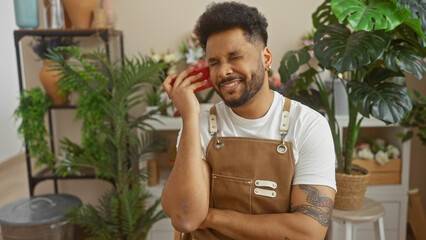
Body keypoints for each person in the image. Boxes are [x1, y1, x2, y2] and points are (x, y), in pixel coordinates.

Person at [161, 2, 336, 239]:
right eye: (214, 62)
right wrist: (190, 118)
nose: (223, 71)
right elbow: (186, 218)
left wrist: (211, 217)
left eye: (235, 57)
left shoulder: (308, 126)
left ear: (266, 58)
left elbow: (308, 232)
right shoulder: (199, 125)